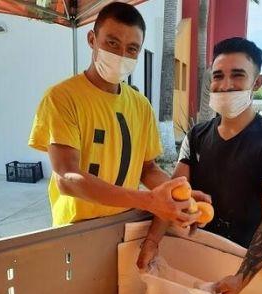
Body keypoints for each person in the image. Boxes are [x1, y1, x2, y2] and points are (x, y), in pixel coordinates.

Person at [137, 37, 262, 294]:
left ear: (256, 83)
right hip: (197, 253)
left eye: (237, 75)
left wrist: (241, 277)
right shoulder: (197, 136)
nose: (225, 85)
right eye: (218, 76)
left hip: (242, 269)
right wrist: (152, 242)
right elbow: (174, 195)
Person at [28, 2, 199, 228]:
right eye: (112, 43)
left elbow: (146, 169)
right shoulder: (61, 98)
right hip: (76, 227)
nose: (121, 55)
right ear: (92, 40)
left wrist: (180, 198)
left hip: (125, 223)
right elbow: (67, 178)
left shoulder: (141, 105)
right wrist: (148, 200)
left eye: (131, 49)